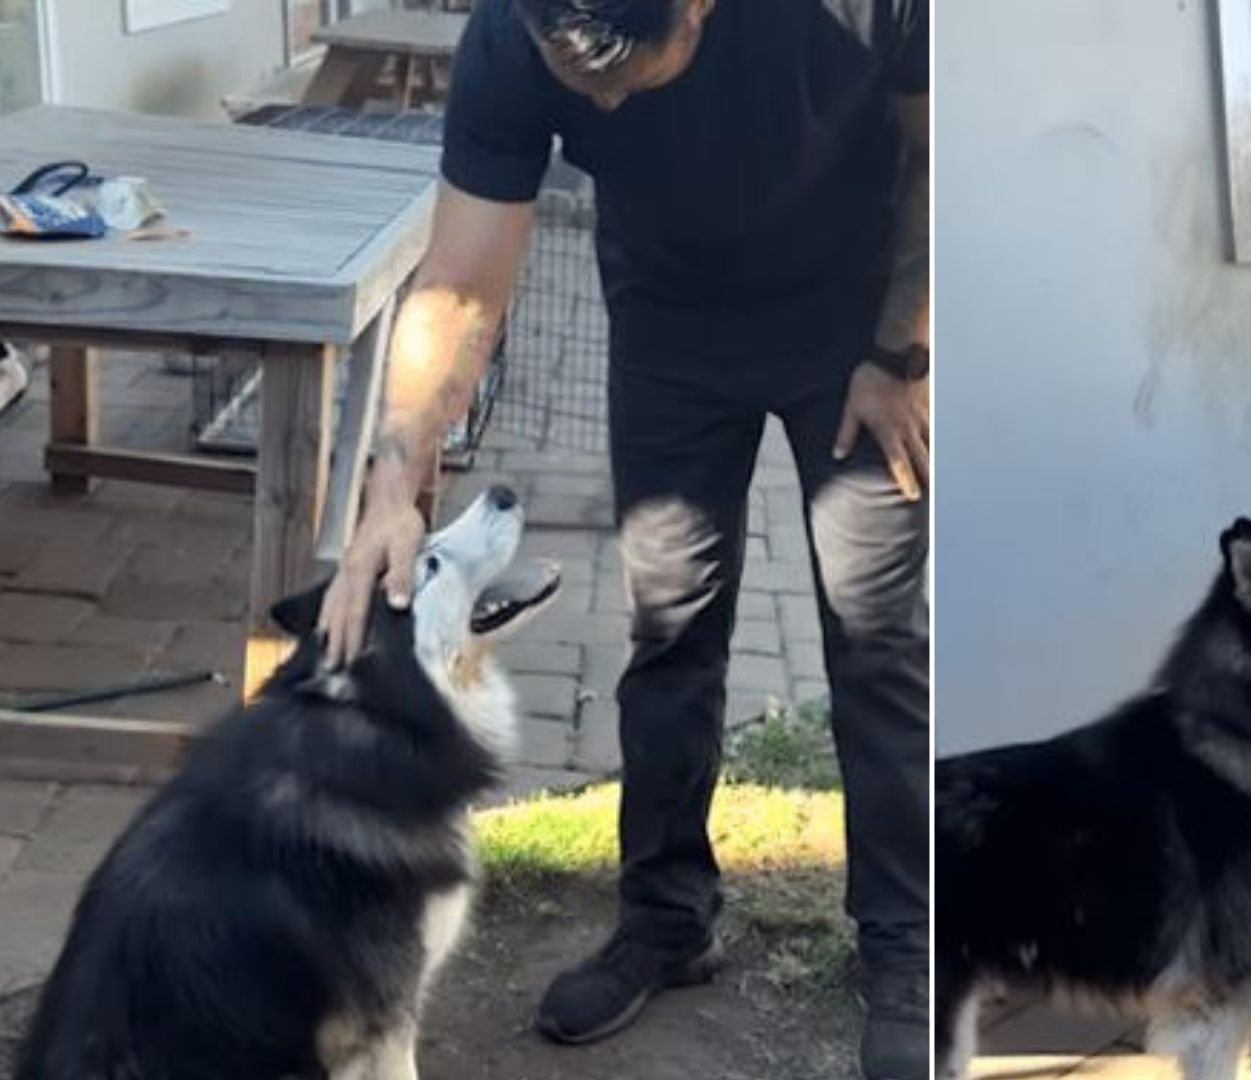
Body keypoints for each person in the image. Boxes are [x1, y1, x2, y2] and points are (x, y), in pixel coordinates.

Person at [314, 1, 929, 1076]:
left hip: (854, 317)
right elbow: (459, 286)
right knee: (670, 622)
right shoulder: (516, 35)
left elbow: (944, 152)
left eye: (622, 76)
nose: (593, 103)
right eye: (574, 75)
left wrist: (903, 351)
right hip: (670, 320)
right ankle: (665, 916)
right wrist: (392, 484)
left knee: (874, 639)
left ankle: (910, 946)